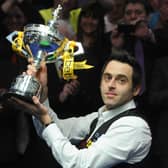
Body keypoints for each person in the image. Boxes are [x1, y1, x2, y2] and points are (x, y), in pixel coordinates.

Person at [6, 53, 152, 168]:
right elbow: (58, 130)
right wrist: (42, 92)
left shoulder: (134, 127)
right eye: (107, 78)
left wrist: (45, 118)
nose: (111, 85)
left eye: (121, 80)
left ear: (136, 89)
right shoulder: (100, 117)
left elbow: (79, 164)